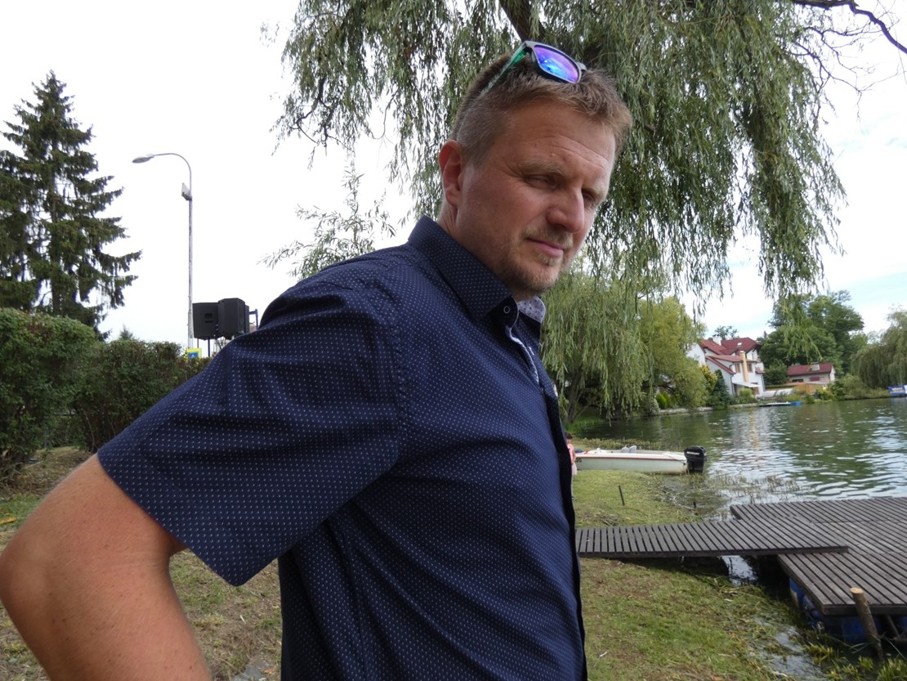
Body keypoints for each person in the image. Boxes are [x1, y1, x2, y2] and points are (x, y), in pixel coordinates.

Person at [0, 41, 632, 680]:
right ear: (455, 174)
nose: (570, 218)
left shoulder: (503, 331)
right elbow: (69, 561)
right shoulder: (375, 325)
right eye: (543, 179)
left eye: (590, 195)